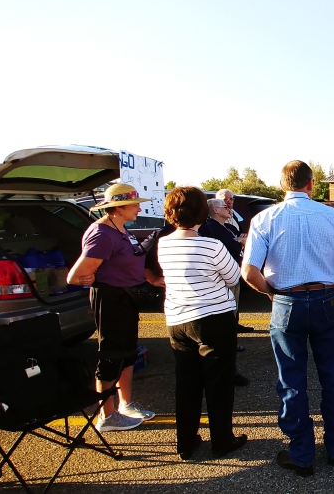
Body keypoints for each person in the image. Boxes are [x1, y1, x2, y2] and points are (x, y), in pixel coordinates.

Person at [241, 160, 334, 477]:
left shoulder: (265, 218)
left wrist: (271, 293)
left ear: (283, 185)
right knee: (332, 376)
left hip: (287, 300)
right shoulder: (331, 216)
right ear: (311, 184)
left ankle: (301, 453)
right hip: (326, 298)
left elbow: (249, 271)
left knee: (291, 379)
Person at [157, 187, 247, 460]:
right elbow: (233, 276)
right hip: (213, 317)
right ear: (201, 212)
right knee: (219, 381)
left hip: (177, 318)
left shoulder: (164, 244)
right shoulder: (211, 245)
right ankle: (222, 439)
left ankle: (186, 441)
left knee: (186, 382)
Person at [67, 183, 164, 432]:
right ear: (118, 208)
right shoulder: (102, 233)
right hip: (111, 299)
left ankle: (126, 404)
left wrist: (152, 279)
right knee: (111, 355)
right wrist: (88, 278)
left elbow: (133, 257)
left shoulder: (120, 228)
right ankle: (107, 416)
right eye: (134, 204)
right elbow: (76, 276)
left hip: (126, 298)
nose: (139, 208)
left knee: (127, 353)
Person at [199, 198, 251, 387]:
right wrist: (239, 242)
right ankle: (229, 371)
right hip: (224, 279)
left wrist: (239, 240)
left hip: (233, 274)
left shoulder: (226, 227)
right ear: (214, 209)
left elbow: (238, 240)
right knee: (227, 320)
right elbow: (232, 246)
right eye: (224, 206)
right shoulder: (210, 228)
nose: (229, 208)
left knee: (233, 316)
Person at [215, 189, 253, 334]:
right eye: (225, 199)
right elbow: (230, 242)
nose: (229, 202)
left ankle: (234, 324)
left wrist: (241, 240)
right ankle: (228, 329)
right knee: (227, 299)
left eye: (231, 199)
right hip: (223, 266)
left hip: (236, 262)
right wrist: (239, 241)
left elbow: (241, 236)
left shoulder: (233, 217)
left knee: (235, 296)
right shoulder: (212, 223)